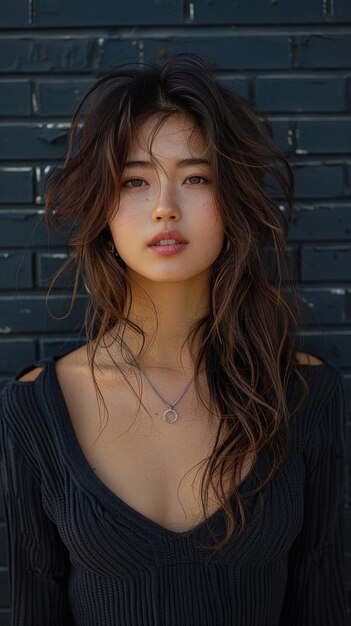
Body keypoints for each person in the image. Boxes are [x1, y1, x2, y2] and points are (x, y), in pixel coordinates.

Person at [0, 53, 347, 625]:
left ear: (231, 200)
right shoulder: (39, 405)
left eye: (195, 178)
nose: (165, 207)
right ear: (103, 209)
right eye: (135, 180)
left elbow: (323, 601)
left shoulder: (304, 394)